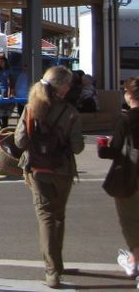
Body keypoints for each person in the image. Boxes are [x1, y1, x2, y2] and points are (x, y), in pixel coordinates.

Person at [14, 66, 84, 289]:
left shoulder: (31, 108)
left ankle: (52, 270)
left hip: (37, 169)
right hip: (62, 169)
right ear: (62, 88)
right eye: (68, 84)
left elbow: (19, 141)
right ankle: (57, 265)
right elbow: (78, 147)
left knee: (45, 217)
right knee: (58, 216)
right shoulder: (70, 112)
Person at [99, 76, 139, 280]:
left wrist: (102, 149)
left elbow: (115, 150)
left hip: (131, 175)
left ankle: (134, 260)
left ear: (129, 95)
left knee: (130, 219)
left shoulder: (126, 119)